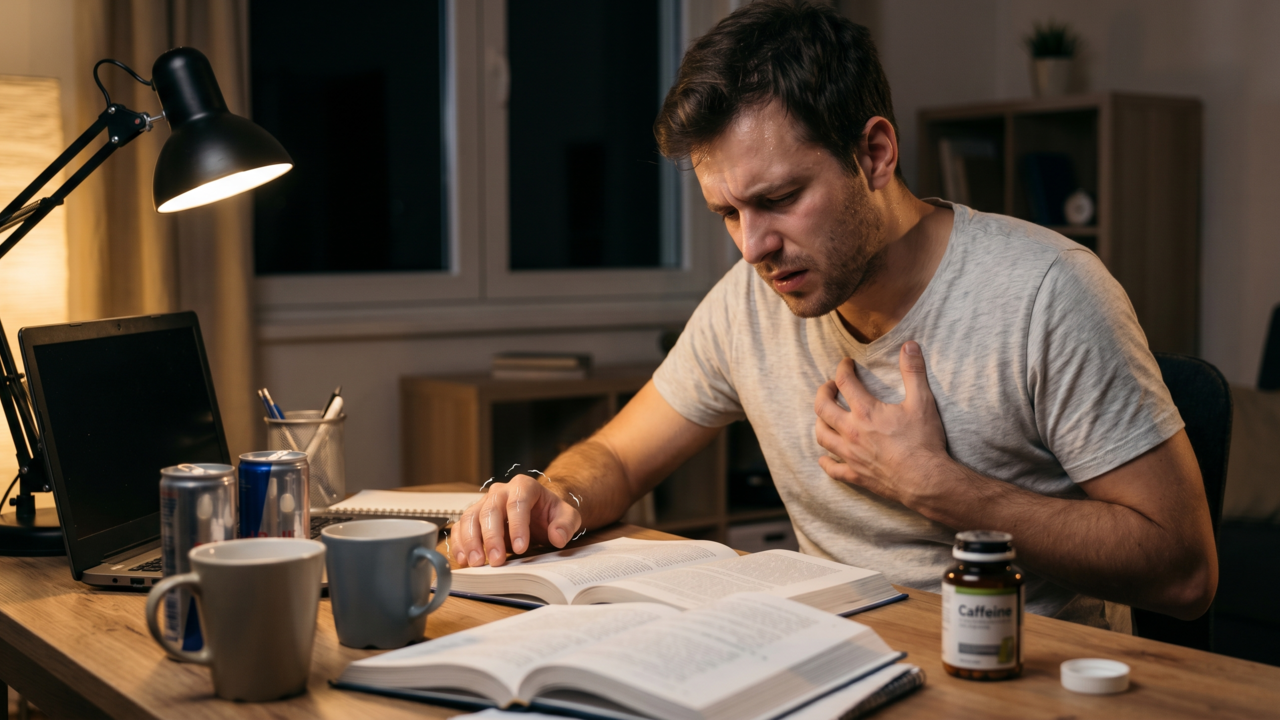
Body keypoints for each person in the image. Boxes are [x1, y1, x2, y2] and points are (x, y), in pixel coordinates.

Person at [451, 0, 1217, 628]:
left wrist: (938, 487)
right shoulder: (751, 299)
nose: (753, 247)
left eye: (779, 199)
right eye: (727, 212)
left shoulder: (1049, 293)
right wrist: (556, 495)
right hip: (825, 667)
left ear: (876, 154)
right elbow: (616, 458)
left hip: (1014, 680)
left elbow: (1184, 572)